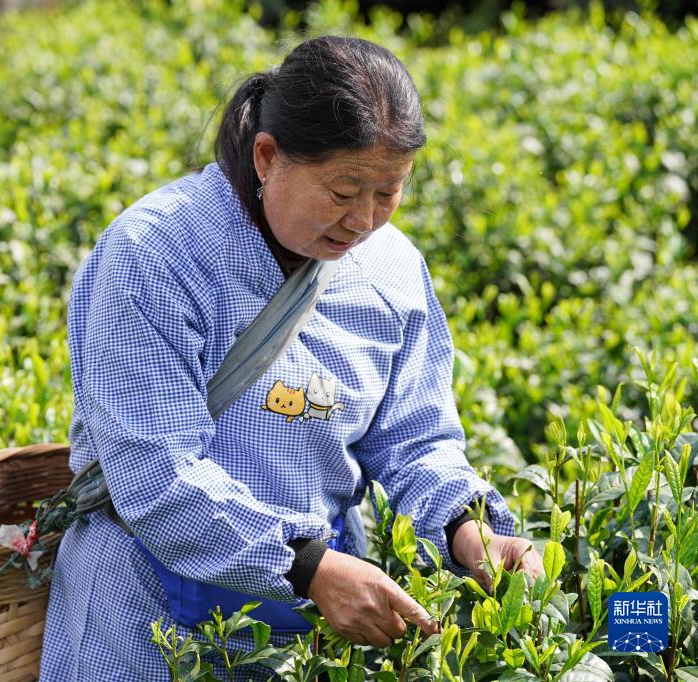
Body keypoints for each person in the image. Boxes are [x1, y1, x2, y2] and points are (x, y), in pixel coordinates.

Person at [41, 35, 543, 680]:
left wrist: (465, 528)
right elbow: (157, 472)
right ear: (268, 157)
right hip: (142, 613)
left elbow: (416, 440)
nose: (363, 220)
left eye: (388, 192)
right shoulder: (155, 256)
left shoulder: (390, 268)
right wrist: (305, 566)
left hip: (317, 619)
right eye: (342, 191)